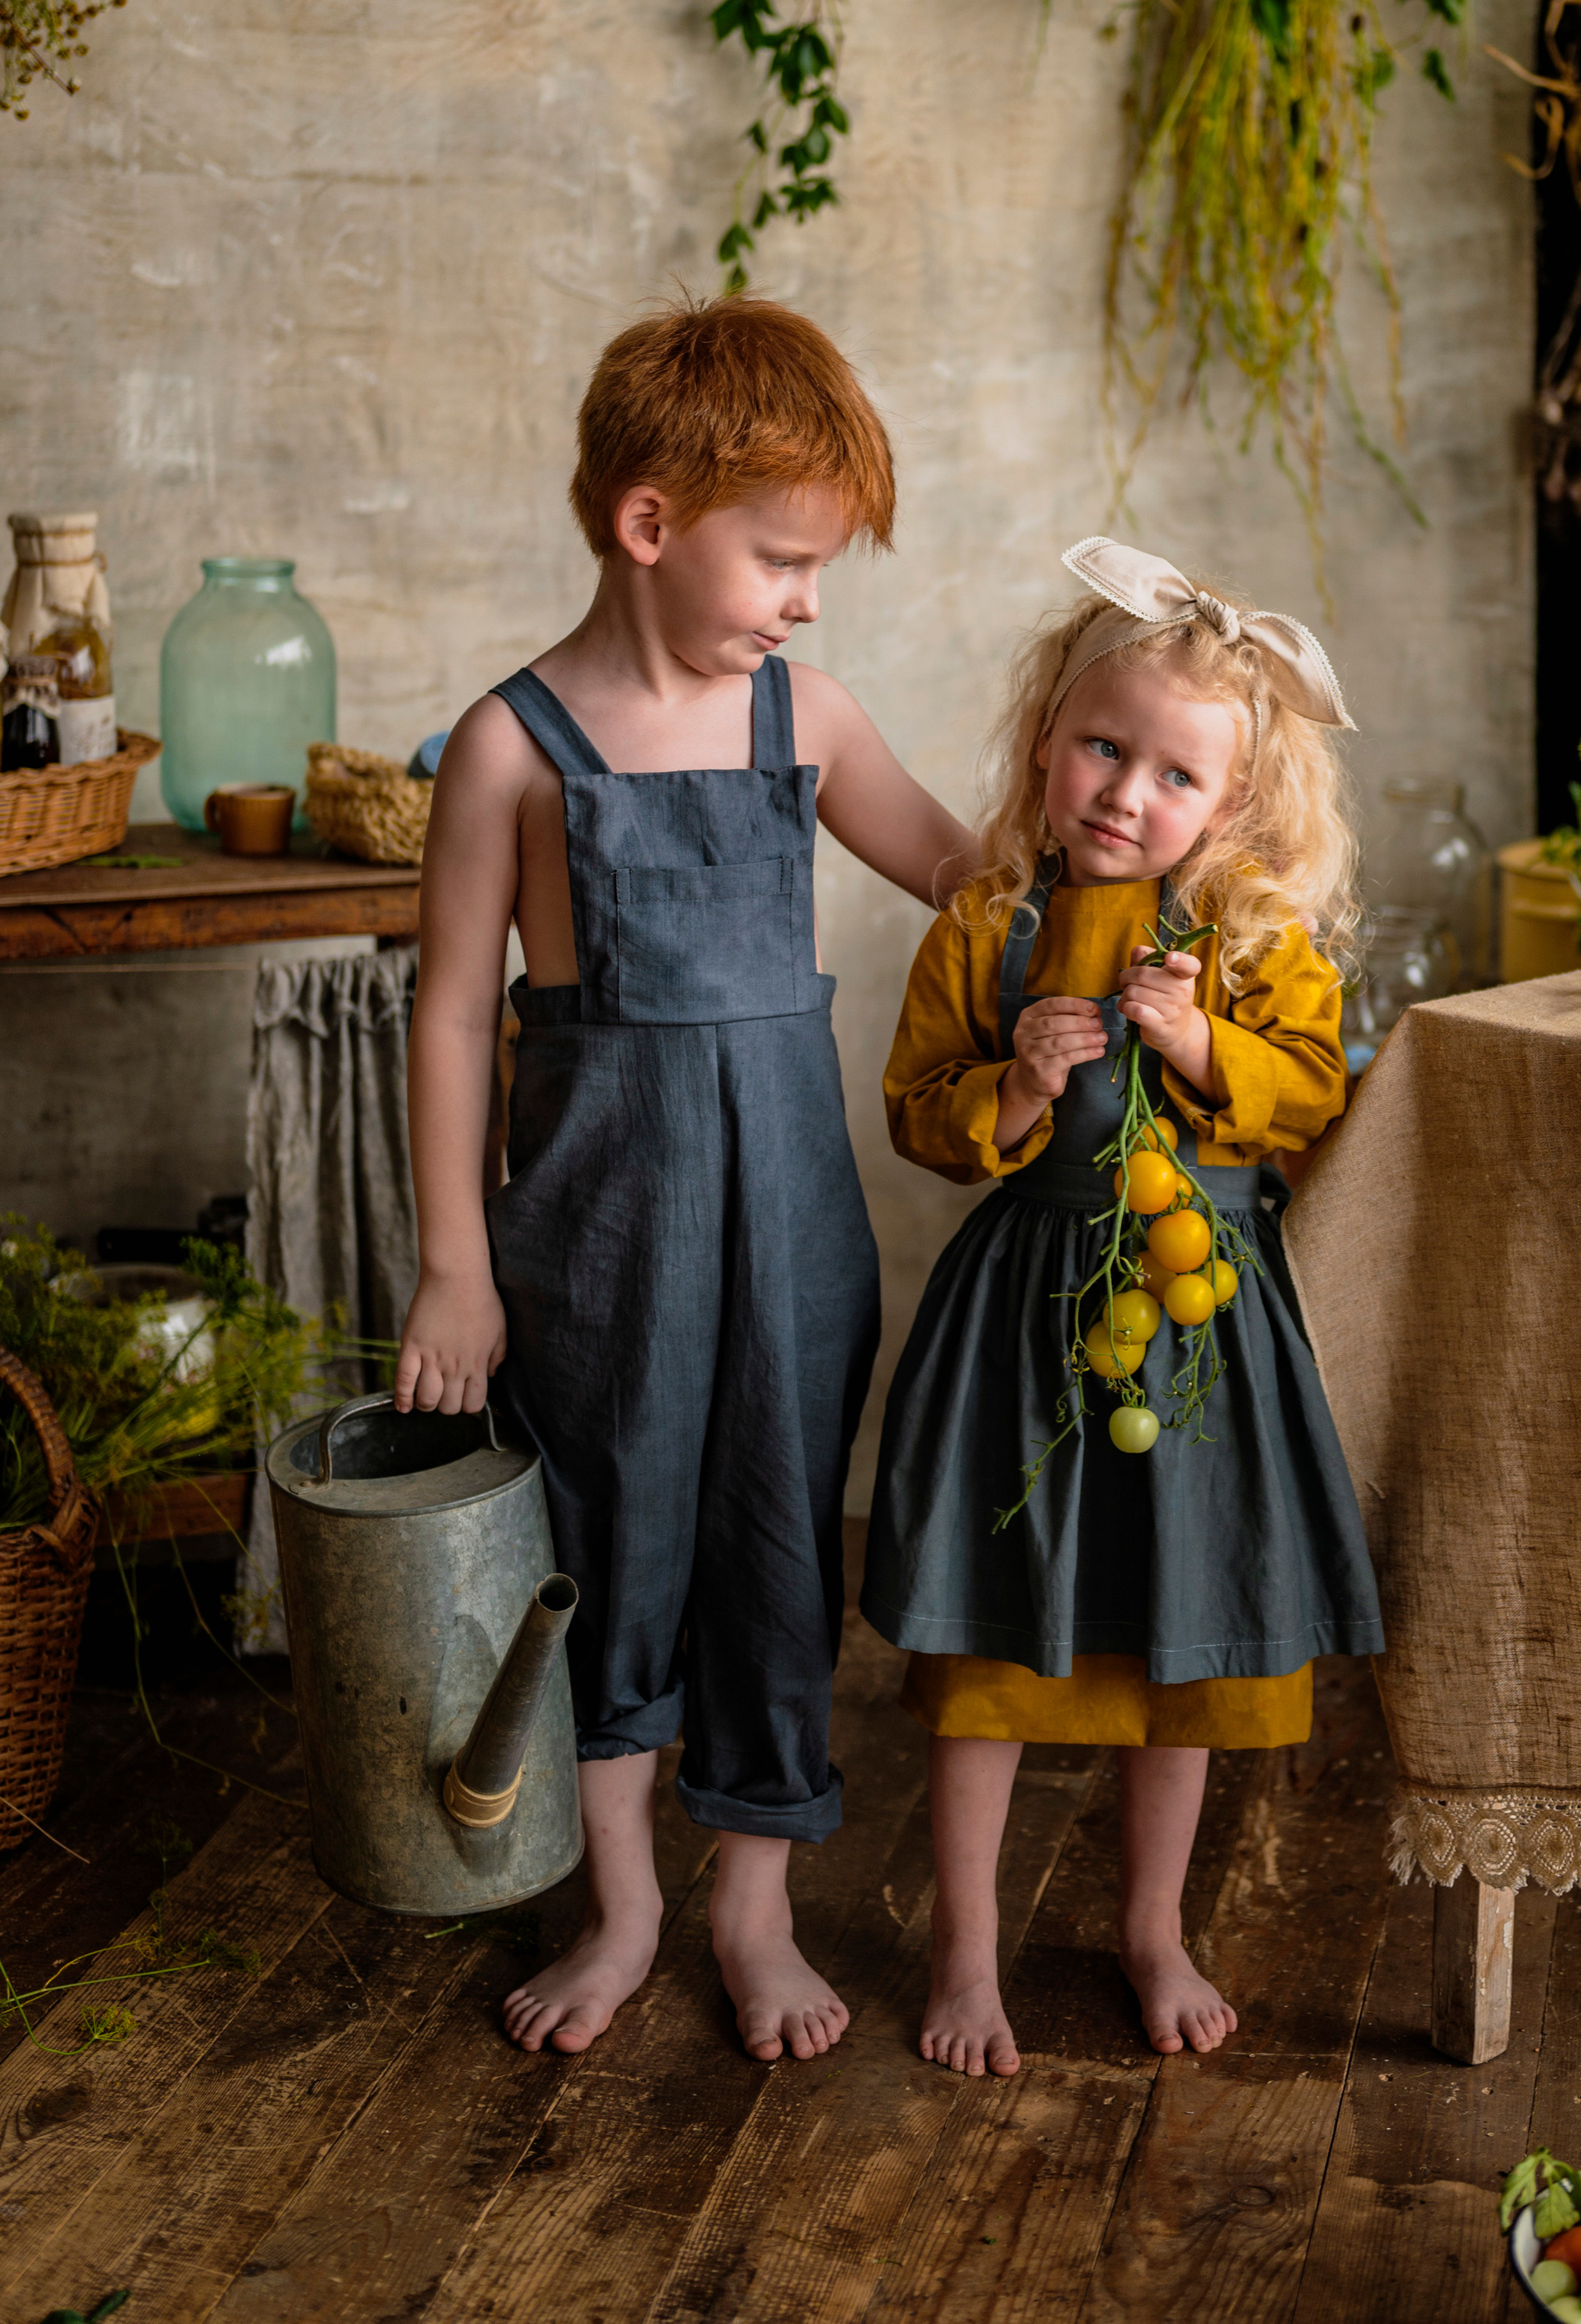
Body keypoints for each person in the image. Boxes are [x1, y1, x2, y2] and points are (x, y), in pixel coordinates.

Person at [395, 296, 970, 2066]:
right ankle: (623, 1899)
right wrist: (454, 1268)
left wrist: (1145, 851)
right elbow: (448, 1021)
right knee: (613, 1537)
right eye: (782, 560)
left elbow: (966, 870)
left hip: (790, 1226)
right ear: (649, 526)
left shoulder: (803, 713)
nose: (804, 599)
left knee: (777, 1534)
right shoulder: (510, 745)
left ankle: (752, 1904)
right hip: (595, 1235)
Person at [862, 536, 1384, 2077]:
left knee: (1181, 1640)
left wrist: (1207, 1041)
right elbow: (914, 1108)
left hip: (1196, 1323)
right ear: (1046, 740)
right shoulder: (984, 921)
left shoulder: (1249, 942)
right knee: (991, 1645)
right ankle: (967, 1949)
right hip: (1028, 1307)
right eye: (1102, 746)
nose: (1122, 792)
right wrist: (1013, 1085)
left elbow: (1312, 1100)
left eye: (1171, 775)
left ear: (1228, 807)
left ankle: (1148, 1926)